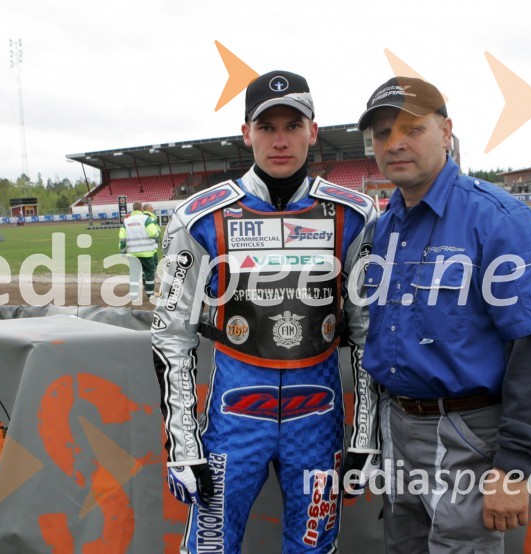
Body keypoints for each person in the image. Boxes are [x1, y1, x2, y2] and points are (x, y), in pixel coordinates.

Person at [151, 70, 381, 553]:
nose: (281, 140)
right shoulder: (199, 216)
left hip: (317, 420)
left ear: (313, 132)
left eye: (293, 126)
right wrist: (183, 444)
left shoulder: (355, 214)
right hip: (234, 418)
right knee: (210, 546)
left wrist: (365, 436)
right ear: (246, 134)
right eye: (267, 127)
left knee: (314, 546)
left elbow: (367, 334)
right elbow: (172, 335)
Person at [357, 77, 531, 553]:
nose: (396, 143)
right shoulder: (385, 226)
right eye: (382, 134)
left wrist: (513, 467)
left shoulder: (499, 220)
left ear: (446, 130)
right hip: (398, 425)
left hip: (468, 432)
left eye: (412, 128)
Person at [119, 201, 161, 300]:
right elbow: (153, 233)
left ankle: (134, 294)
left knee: (134, 274)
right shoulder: (146, 219)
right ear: (141, 209)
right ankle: (150, 294)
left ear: (133, 209)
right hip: (146, 252)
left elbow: (122, 238)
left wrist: (123, 251)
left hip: (132, 253)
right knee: (149, 273)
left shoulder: (126, 221)